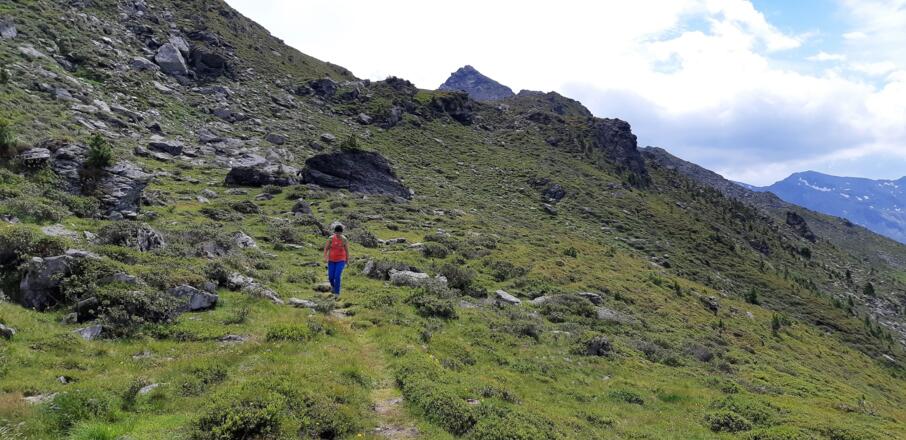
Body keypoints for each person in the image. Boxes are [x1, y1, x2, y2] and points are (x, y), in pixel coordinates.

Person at [323, 223, 349, 297]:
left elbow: (347, 251)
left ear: (341, 232)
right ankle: (333, 287)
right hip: (331, 260)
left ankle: (337, 293)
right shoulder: (331, 238)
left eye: (339, 232)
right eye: (336, 232)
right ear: (334, 232)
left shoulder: (344, 239)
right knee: (331, 277)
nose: (338, 234)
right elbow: (326, 248)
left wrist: (347, 260)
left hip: (341, 260)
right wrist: (325, 257)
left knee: (337, 276)